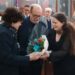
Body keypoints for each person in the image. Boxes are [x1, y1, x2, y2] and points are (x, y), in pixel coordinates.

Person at [0, 7, 41, 75]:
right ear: (13, 20)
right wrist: (29, 57)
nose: (20, 24)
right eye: (20, 22)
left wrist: (37, 50)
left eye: (39, 16)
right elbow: (6, 58)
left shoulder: (9, 30)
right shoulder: (4, 33)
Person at [17, 4, 43, 75]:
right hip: (24, 60)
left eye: (39, 16)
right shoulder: (21, 24)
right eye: (35, 15)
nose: (37, 18)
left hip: (37, 61)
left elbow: (42, 42)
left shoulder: (42, 25)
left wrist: (36, 49)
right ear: (30, 13)